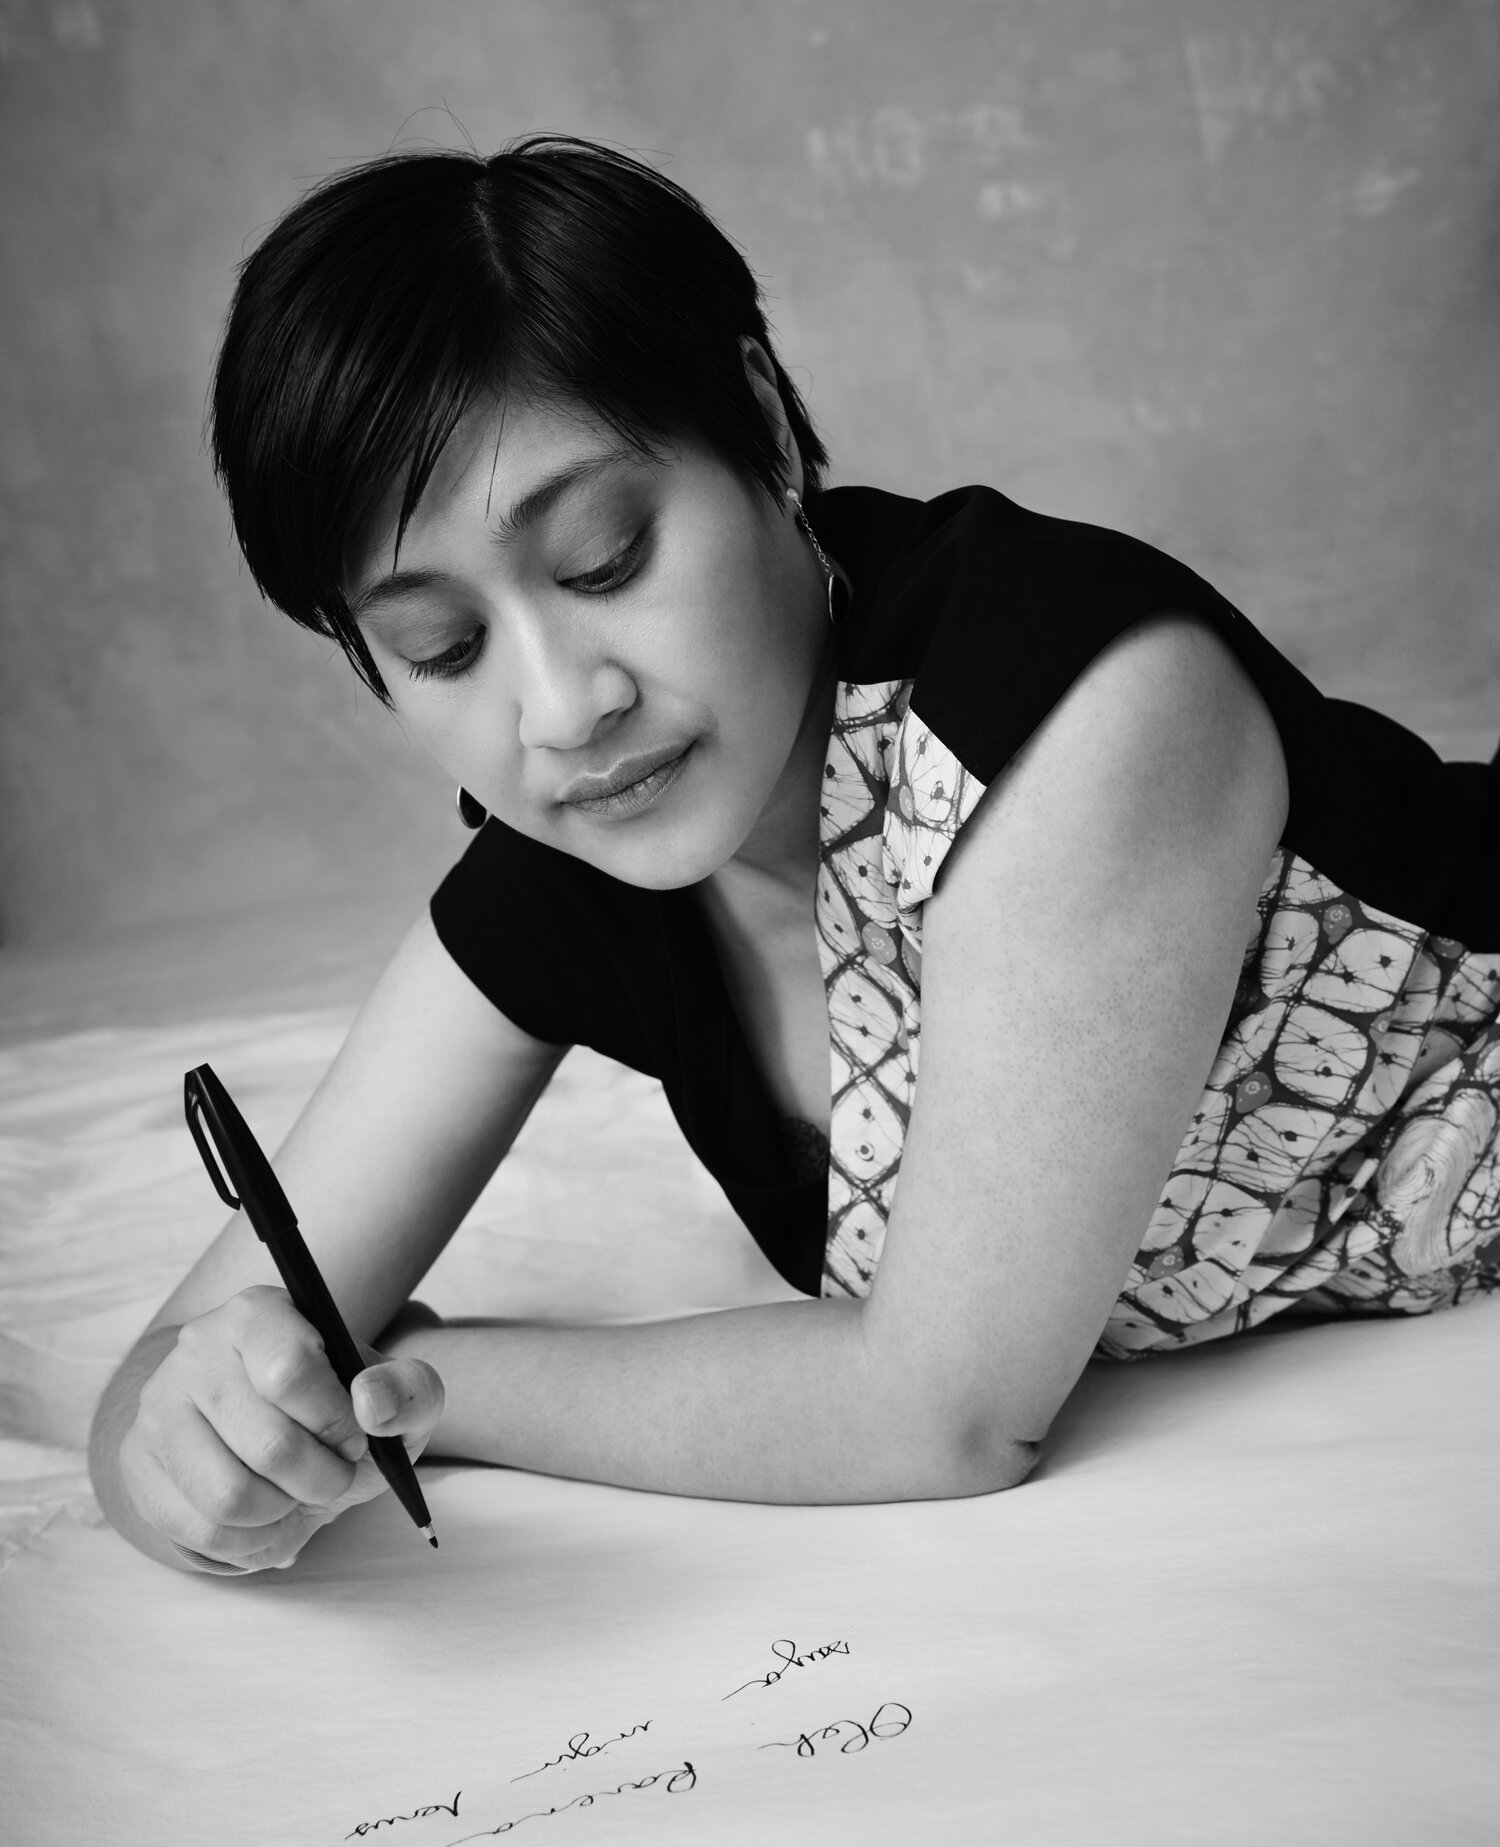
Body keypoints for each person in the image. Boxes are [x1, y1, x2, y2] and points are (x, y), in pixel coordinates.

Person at [88, 136, 1500, 1575]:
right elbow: (159, 1385)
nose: (568, 709)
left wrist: (419, 1385)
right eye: (439, 648)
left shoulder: (1074, 702)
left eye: (603, 563)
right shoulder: (571, 866)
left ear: (753, 411)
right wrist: (207, 1450)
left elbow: (946, 1414)